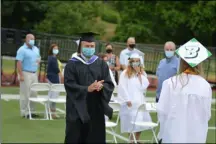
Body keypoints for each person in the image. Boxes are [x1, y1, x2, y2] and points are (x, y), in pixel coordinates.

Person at [157, 39, 212, 143]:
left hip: (173, 136)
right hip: (196, 137)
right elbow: (206, 115)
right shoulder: (205, 86)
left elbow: (162, 112)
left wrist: (162, 134)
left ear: (181, 61)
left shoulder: (170, 83)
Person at [64, 32, 114, 143]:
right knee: (75, 137)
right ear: (80, 47)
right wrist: (87, 89)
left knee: (95, 137)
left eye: (92, 46)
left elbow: (109, 84)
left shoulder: (101, 64)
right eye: (87, 46)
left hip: (95, 109)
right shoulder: (72, 65)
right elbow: (69, 85)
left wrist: (102, 86)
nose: (90, 48)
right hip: (77, 109)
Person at [118, 53, 151, 142]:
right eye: (134, 61)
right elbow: (122, 87)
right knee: (131, 121)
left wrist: (139, 73)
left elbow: (144, 86)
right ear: (130, 62)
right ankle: (132, 140)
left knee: (140, 121)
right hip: (130, 101)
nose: (136, 63)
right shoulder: (125, 73)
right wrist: (127, 99)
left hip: (139, 100)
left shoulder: (142, 73)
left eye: (137, 61)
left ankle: (137, 139)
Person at [16, 34, 41, 118]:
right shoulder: (22, 50)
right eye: (31, 39)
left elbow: (38, 58)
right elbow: (19, 63)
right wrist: (21, 75)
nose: (32, 40)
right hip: (26, 73)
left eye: (33, 39)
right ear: (26, 39)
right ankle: (24, 112)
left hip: (34, 73)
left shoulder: (36, 49)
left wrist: (38, 61)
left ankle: (32, 111)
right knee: (25, 93)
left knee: (34, 93)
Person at [46, 43, 62, 119]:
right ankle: (52, 112)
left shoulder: (50, 57)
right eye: (55, 49)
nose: (56, 50)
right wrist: (61, 75)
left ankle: (51, 111)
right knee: (54, 96)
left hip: (50, 78)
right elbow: (56, 69)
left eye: (57, 48)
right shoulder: (53, 58)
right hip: (53, 78)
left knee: (51, 95)